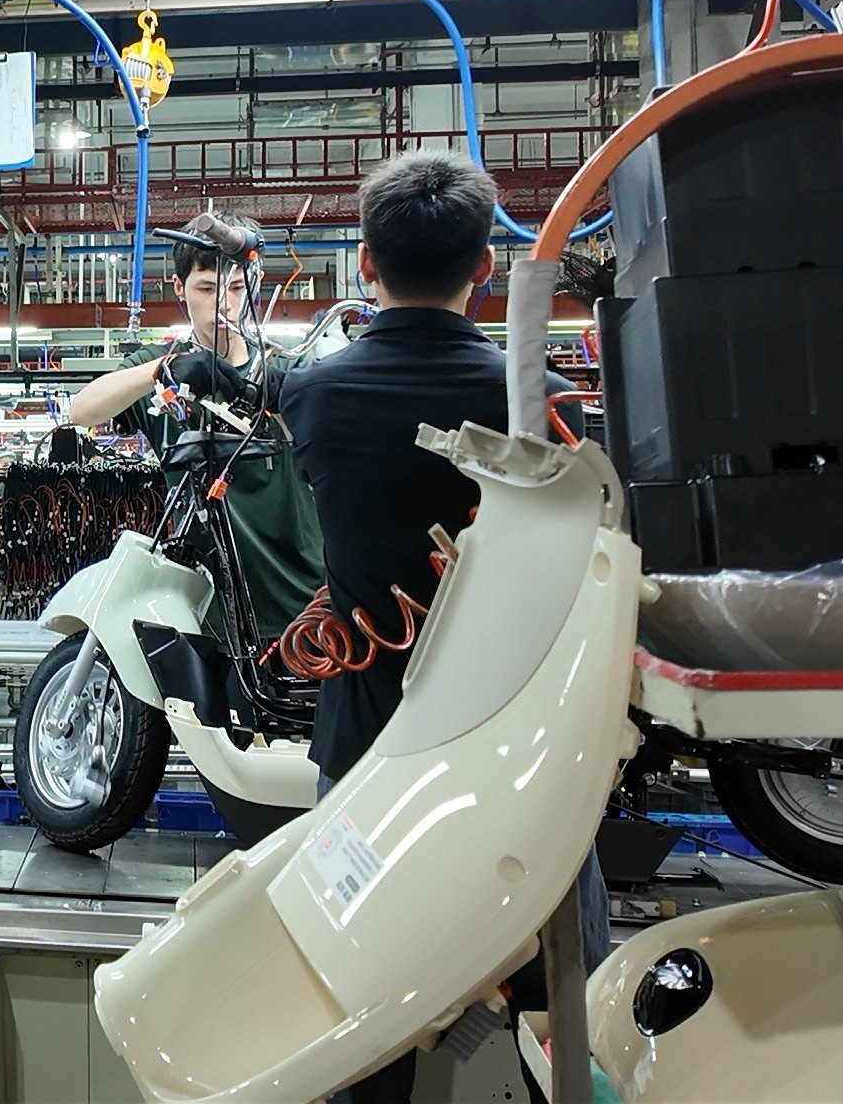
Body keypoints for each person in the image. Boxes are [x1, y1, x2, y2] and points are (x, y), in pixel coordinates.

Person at [244, 152, 599, 1104]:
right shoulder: (539, 405)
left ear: (365, 263)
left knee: (359, 1013)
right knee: (564, 1011)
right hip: (519, 747)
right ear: (485, 266)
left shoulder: (311, 396)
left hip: (367, 752)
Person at [64, 212, 323, 636]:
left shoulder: (288, 364)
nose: (223, 302)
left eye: (236, 288)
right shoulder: (159, 367)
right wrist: (164, 368)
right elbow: (82, 411)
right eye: (206, 288)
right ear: (179, 288)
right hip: (204, 604)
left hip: (303, 596)